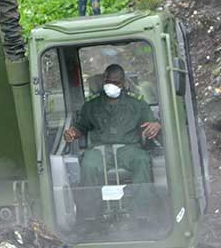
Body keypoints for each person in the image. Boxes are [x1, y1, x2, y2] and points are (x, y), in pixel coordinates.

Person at [63, 64, 161, 213]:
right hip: (99, 150)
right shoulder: (91, 105)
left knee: (142, 160)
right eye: (109, 81)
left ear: (123, 83)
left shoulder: (137, 104)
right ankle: (89, 216)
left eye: (116, 83)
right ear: (104, 80)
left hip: (128, 148)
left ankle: (143, 214)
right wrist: (72, 133)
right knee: (88, 165)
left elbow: (151, 122)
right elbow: (80, 127)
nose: (112, 85)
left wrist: (155, 126)